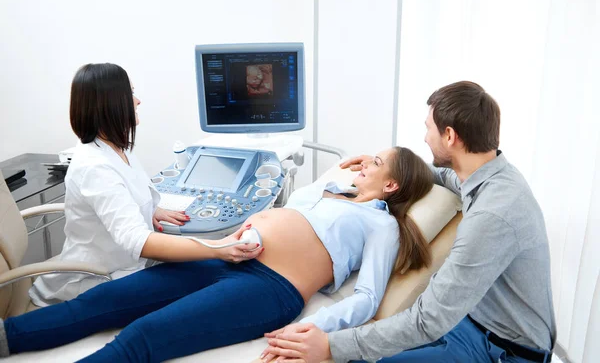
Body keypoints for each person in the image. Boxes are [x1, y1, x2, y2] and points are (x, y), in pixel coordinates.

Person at [0, 145, 434, 362]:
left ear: (392, 185)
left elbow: (367, 298)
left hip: (269, 288)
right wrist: (251, 233)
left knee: (143, 336)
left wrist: (315, 328)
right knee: (100, 302)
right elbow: (295, 207)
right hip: (227, 255)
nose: (363, 163)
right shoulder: (332, 192)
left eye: (375, 161)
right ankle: (7, 337)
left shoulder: (382, 225)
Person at [261, 81, 556, 363]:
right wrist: (386, 169)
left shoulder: (492, 216)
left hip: (502, 350)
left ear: (450, 136)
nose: (426, 137)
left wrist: (330, 346)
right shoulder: (488, 175)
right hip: (470, 322)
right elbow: (444, 175)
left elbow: (428, 320)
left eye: (429, 129)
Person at [29, 63, 264, 307]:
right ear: (110, 103)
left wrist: (149, 209)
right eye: (130, 94)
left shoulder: (116, 150)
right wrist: (216, 247)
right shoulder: (94, 167)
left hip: (125, 265)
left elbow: (124, 196)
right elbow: (137, 241)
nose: (138, 101)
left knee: (213, 269)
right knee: (214, 276)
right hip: (98, 278)